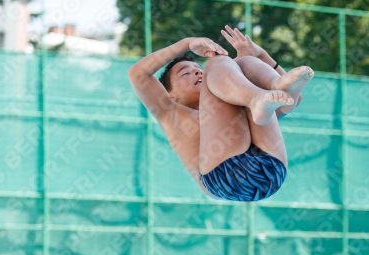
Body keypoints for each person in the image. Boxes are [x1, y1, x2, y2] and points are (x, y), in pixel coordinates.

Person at [128, 25, 313, 201]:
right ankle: (257, 95)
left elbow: (292, 100)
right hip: (225, 177)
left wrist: (261, 54)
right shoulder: (171, 113)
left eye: (199, 70)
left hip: (272, 172)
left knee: (245, 63)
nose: (197, 73)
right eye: (186, 73)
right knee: (218, 62)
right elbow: (138, 74)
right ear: (171, 95)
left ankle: (272, 86)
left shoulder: (239, 99)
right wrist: (187, 43)